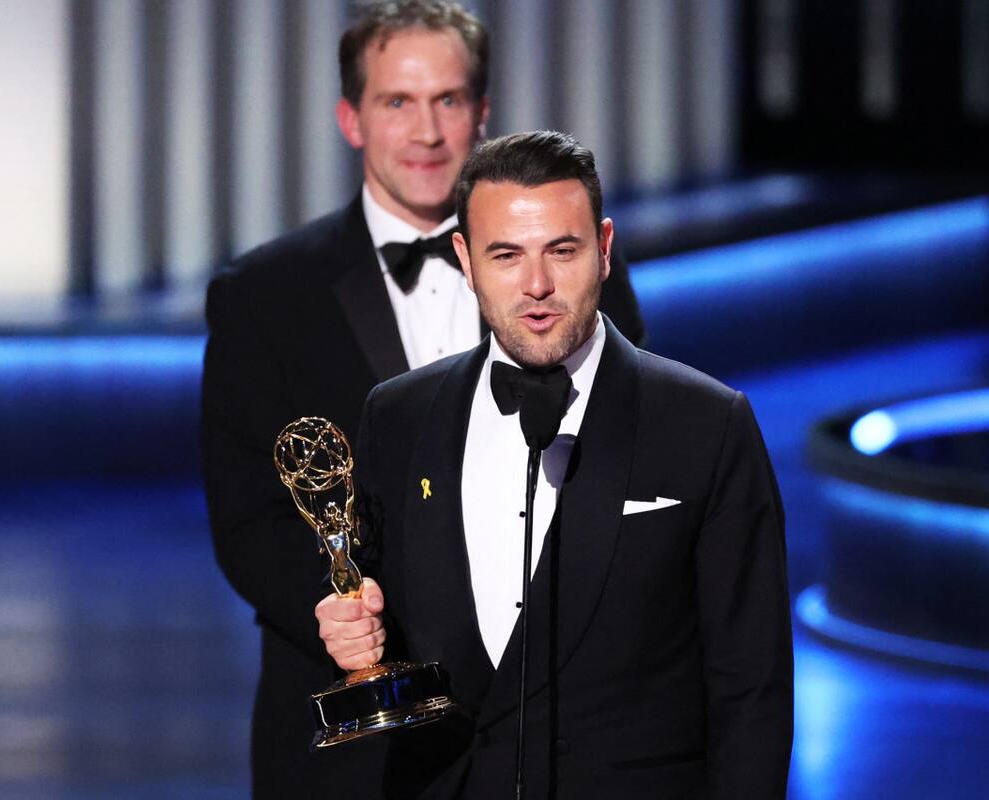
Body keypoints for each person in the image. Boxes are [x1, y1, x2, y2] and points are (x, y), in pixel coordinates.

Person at [201, 3, 645, 797]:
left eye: (448, 100)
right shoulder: (263, 297)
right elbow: (248, 521)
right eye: (398, 101)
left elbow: (627, 463)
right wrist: (340, 617)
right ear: (351, 118)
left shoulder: (569, 274)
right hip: (352, 737)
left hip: (548, 719)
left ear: (482, 112)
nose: (428, 131)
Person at [316, 131, 792, 799]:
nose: (536, 285)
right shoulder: (398, 417)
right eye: (506, 255)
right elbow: (379, 615)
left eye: (561, 251)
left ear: (604, 248)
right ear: (465, 259)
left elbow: (753, 687)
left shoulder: (706, 424)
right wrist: (354, 636)